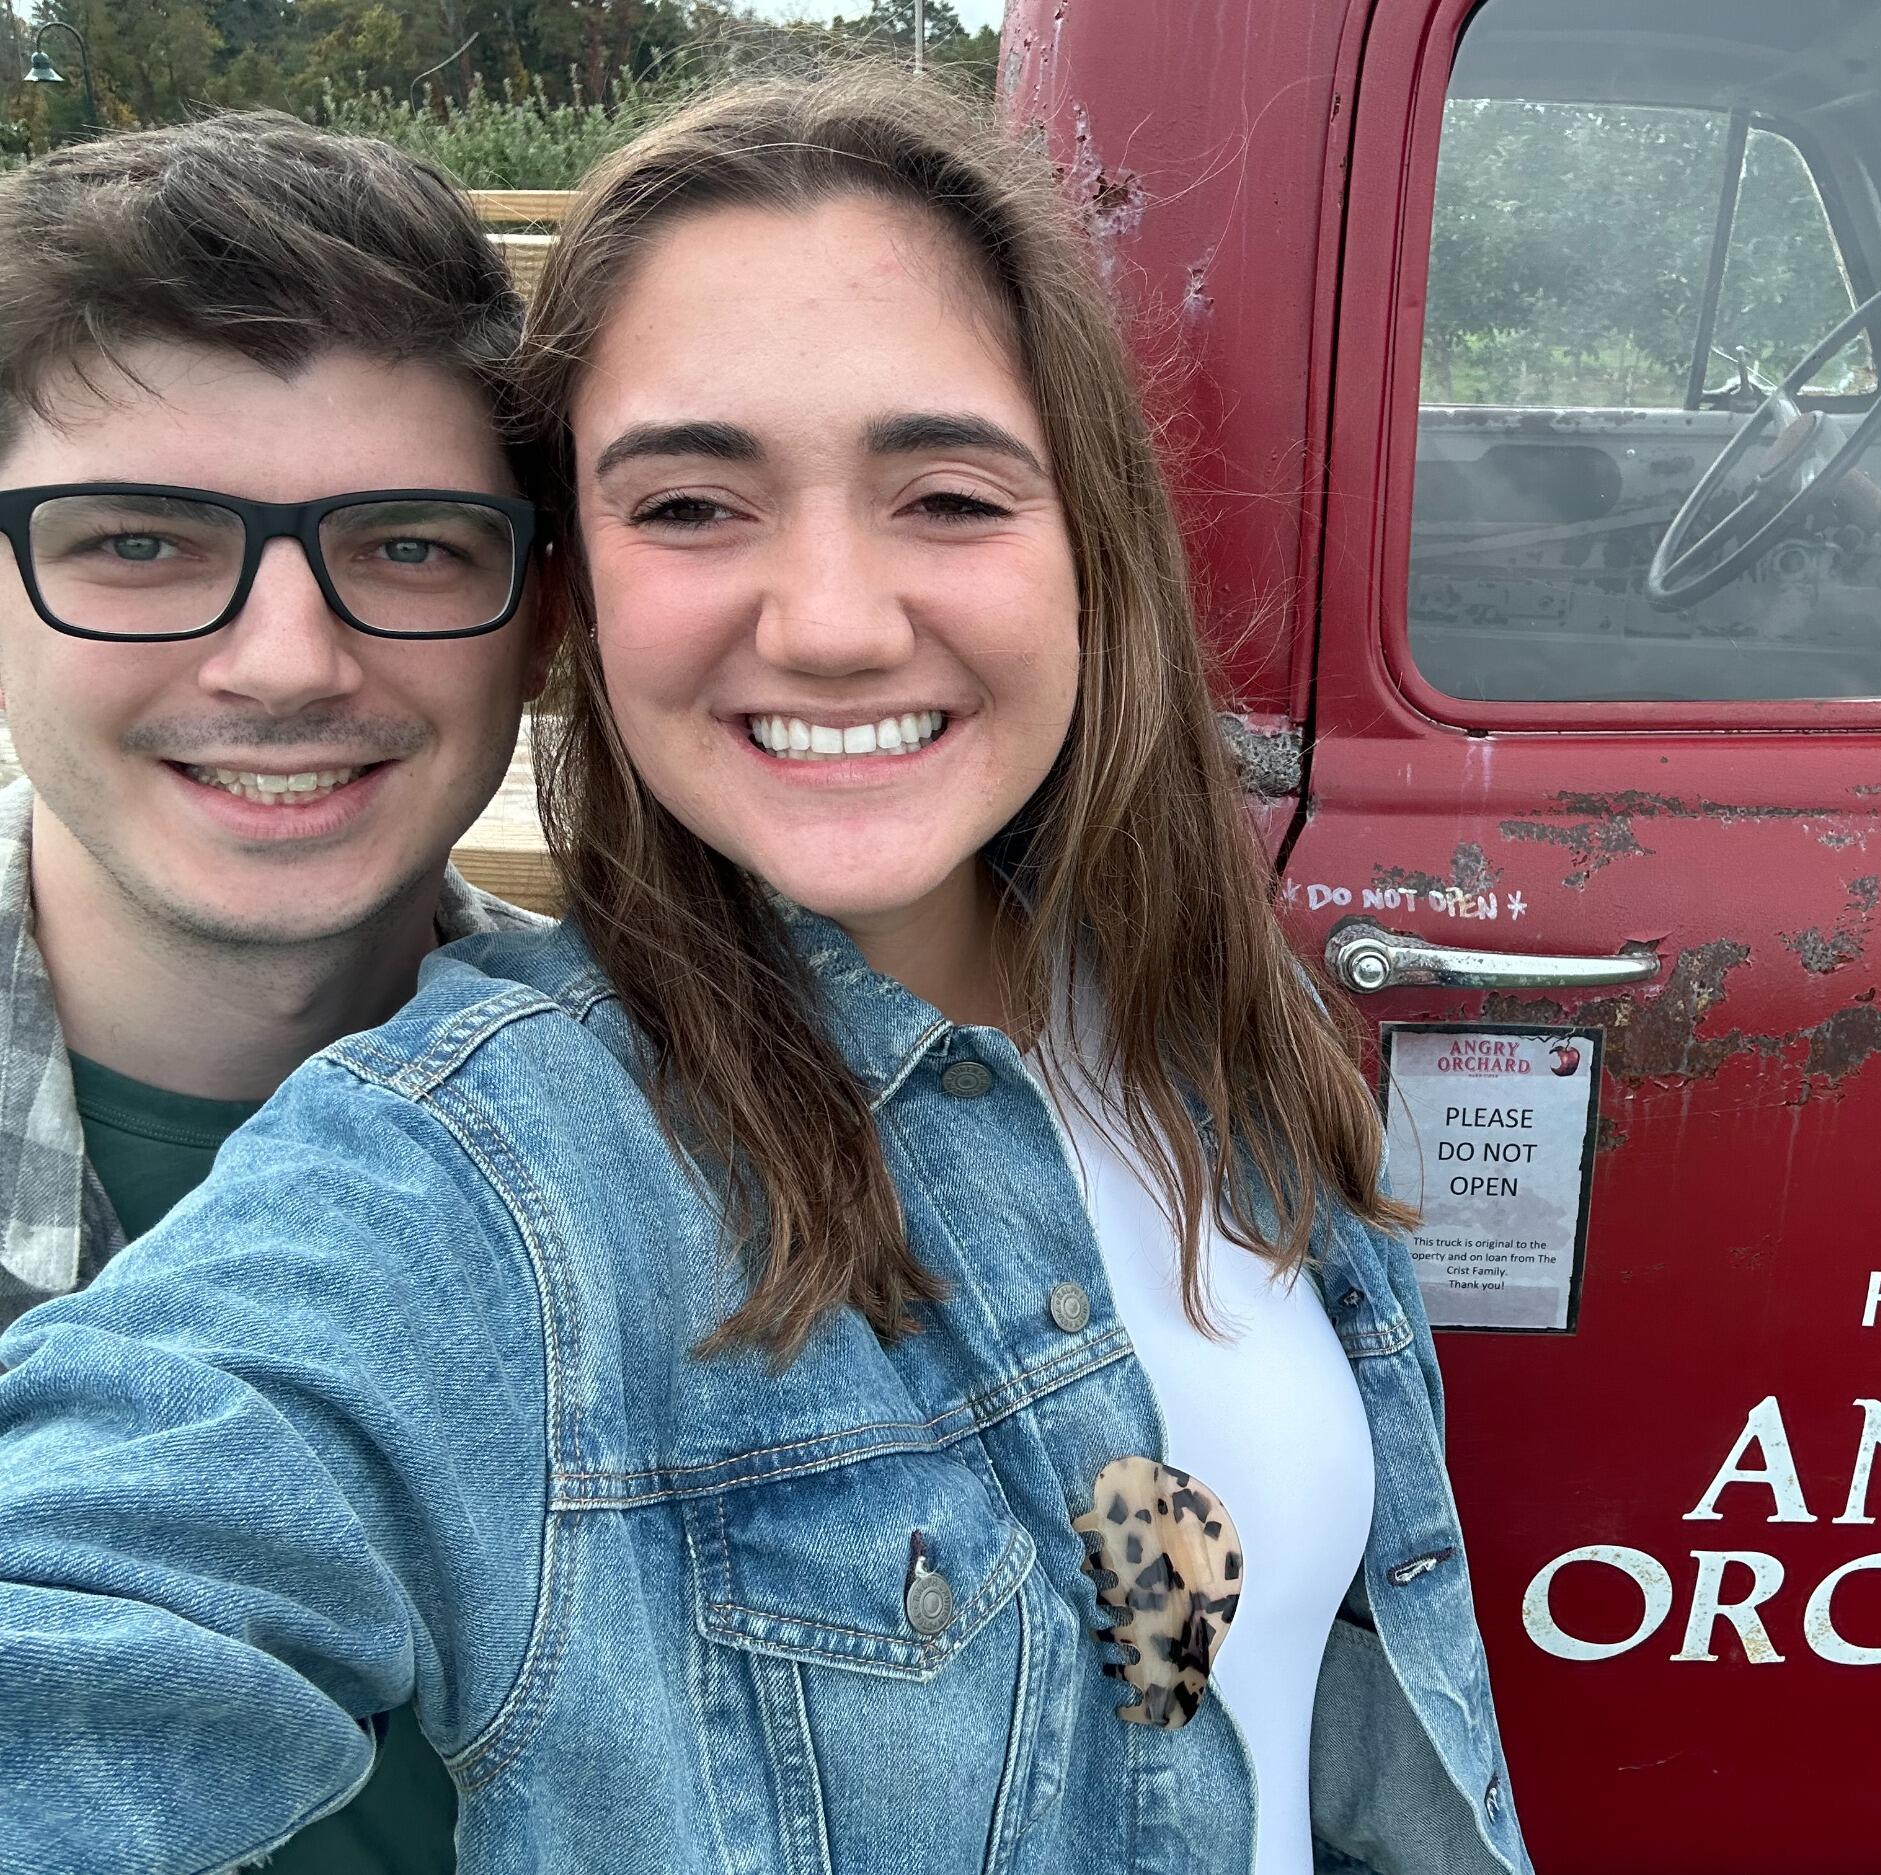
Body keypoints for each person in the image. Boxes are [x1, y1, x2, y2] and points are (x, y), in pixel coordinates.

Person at [0, 69, 1530, 1875]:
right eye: (696, 505)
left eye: (950, 495)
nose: (828, 620)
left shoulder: (1199, 1036)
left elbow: (1181, 1678)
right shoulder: (479, 1172)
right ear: (600, 586)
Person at [0, 115, 549, 1872]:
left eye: (409, 546)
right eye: (140, 543)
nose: (288, 662)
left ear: (544, 623)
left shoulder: (733, 1160)